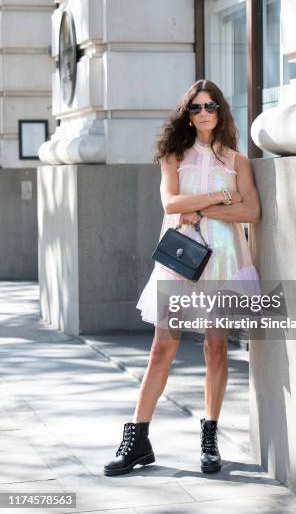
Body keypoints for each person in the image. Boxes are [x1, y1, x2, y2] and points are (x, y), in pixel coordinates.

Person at [103, 79, 261, 477]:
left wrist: (203, 209)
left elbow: (251, 212)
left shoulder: (238, 162)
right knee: (161, 349)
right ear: (187, 116)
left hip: (224, 263)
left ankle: (209, 438)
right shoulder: (172, 157)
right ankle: (137, 438)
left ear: (221, 111)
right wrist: (222, 198)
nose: (204, 113)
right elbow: (171, 203)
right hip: (180, 261)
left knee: (215, 350)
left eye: (210, 106)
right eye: (196, 108)